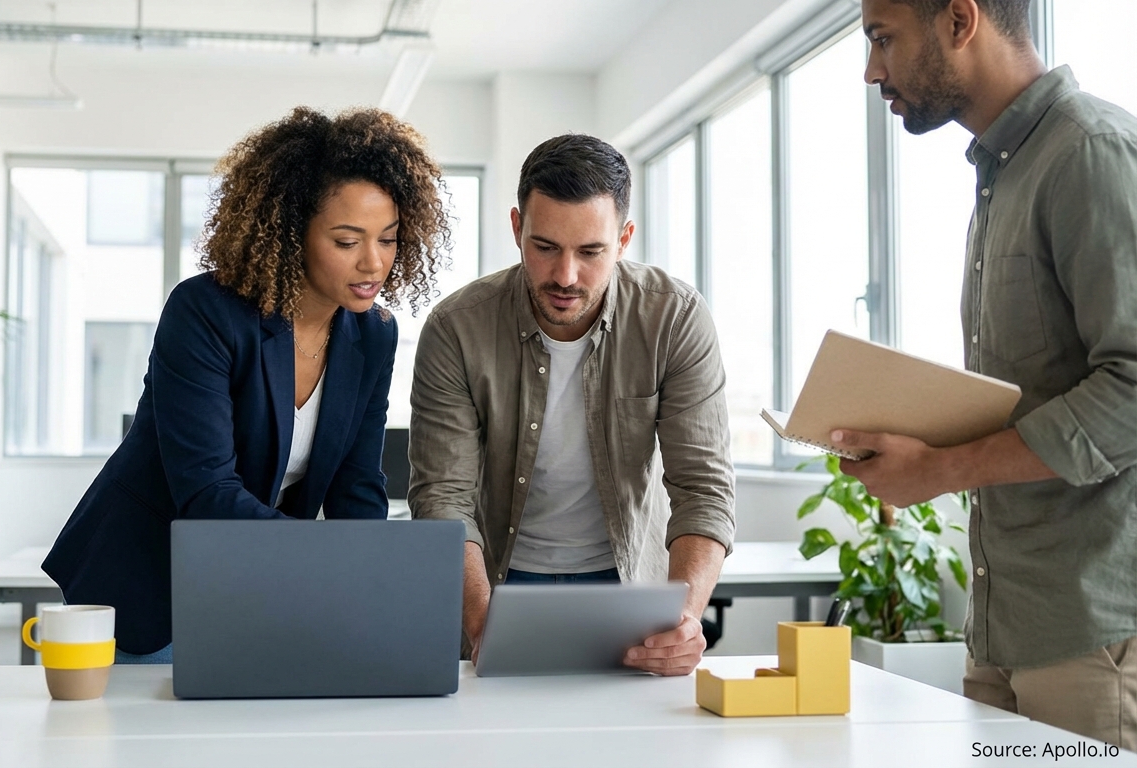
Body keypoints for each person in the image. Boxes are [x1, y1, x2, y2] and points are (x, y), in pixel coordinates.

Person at [43, 107, 452, 662]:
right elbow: (208, 494)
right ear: (292, 232)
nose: (373, 262)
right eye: (347, 240)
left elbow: (357, 485)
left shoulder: (373, 335)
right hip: (145, 584)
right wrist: (327, 558)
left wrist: (365, 583)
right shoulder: (205, 313)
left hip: (255, 581)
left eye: (389, 238)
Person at [836, 0, 1137, 748]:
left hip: (1094, 639)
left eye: (882, 39)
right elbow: (1038, 395)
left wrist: (941, 469)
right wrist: (917, 440)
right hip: (1004, 631)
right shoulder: (1005, 176)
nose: (872, 70)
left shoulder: (1090, 153)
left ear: (959, 21)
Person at [408, 134, 735, 676]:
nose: (565, 276)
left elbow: (703, 486)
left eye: (590, 252)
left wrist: (684, 617)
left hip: (629, 586)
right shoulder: (456, 329)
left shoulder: (674, 319)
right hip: (498, 584)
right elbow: (443, 497)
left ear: (624, 238)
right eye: (545, 247)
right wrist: (479, 619)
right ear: (517, 228)